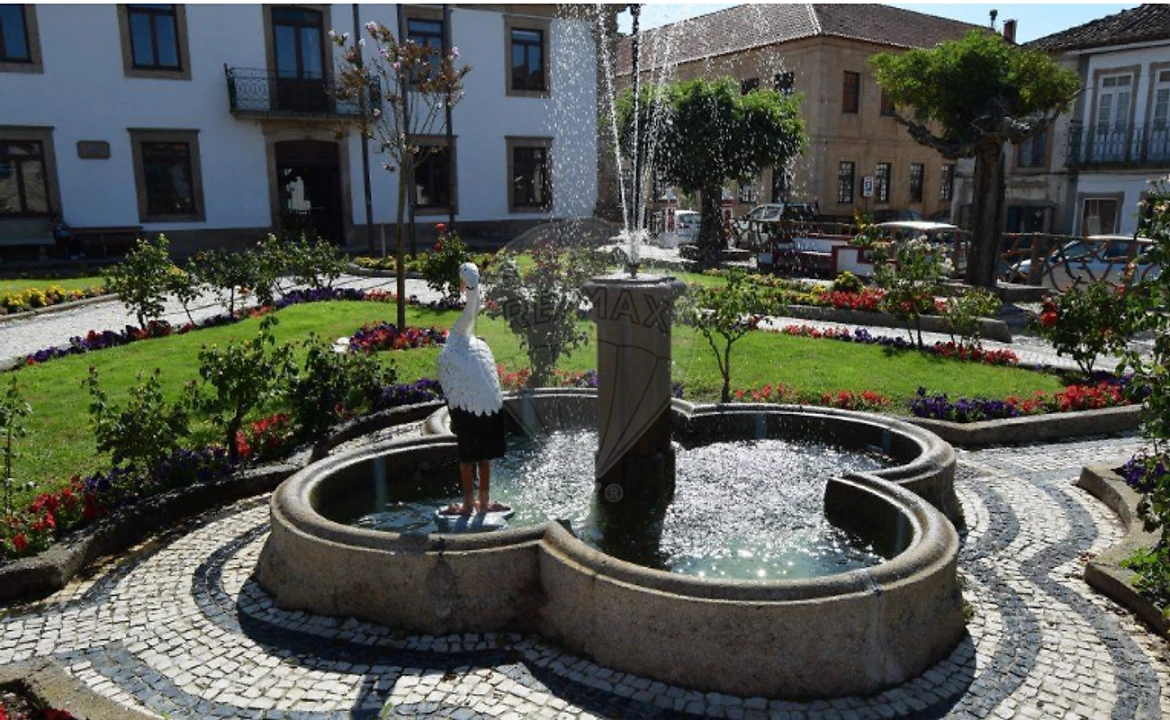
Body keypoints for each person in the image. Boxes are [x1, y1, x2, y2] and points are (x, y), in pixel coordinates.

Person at [436, 262, 508, 515]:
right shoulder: (482, 348)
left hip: (465, 414)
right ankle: (484, 503)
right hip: (490, 414)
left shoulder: (451, 352)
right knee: (484, 455)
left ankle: (468, 505)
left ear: (464, 284)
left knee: (467, 457)